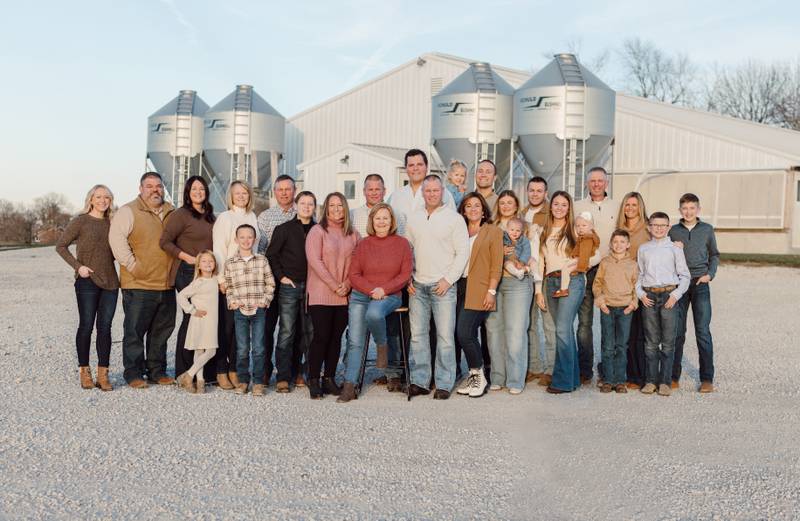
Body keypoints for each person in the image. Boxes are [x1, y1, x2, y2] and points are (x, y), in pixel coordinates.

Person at [339, 203, 412, 402]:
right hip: (363, 294)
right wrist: (371, 290)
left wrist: (383, 290)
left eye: (385, 218)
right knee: (355, 339)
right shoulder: (363, 244)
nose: (381, 222)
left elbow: (405, 274)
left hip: (389, 295)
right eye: (377, 218)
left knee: (374, 314)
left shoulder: (402, 244)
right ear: (372, 221)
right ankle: (350, 384)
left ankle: (382, 345)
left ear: (392, 221)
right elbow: (354, 275)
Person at [109, 172, 175, 388]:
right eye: (149, 186)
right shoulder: (128, 211)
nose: (155, 190)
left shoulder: (171, 211)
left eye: (158, 186)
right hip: (139, 284)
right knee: (135, 331)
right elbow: (116, 240)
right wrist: (133, 266)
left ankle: (157, 371)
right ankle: (133, 373)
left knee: (161, 331)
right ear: (141, 188)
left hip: (166, 284)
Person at [405, 175, 469, 400]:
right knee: (418, 336)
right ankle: (421, 381)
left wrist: (449, 279)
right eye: (428, 190)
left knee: (444, 337)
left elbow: (462, 252)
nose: (431, 194)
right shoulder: (413, 219)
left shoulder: (454, 219)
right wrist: (407, 278)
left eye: (435, 190)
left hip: (443, 287)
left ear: (442, 192)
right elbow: (407, 251)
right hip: (418, 286)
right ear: (422, 192)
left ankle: (444, 382)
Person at [56, 184, 119, 391]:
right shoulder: (81, 221)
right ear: (91, 199)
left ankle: (103, 373)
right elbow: (61, 246)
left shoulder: (113, 223)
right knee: (86, 326)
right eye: (98, 197)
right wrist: (78, 266)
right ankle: (84, 371)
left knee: (105, 328)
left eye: (106, 197)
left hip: (110, 282)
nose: (103, 201)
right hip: (87, 281)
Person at [535, 191, 599, 394]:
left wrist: (581, 266)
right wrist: (538, 291)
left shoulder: (575, 228)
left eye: (564, 204)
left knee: (562, 329)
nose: (560, 208)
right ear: (550, 206)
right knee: (562, 331)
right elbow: (540, 262)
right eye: (556, 204)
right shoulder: (543, 230)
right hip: (550, 282)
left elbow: (597, 252)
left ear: (569, 207)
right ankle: (572, 379)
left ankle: (562, 382)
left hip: (572, 282)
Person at [159, 176, 216, 386]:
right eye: (194, 189)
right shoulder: (180, 215)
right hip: (186, 271)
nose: (198, 192)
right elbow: (164, 242)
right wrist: (186, 257)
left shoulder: (211, 216)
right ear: (187, 192)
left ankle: (203, 371)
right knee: (191, 318)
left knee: (207, 320)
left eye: (202, 188)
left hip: (207, 273)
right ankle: (183, 371)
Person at [305, 192, 360, 399]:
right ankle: (313, 379)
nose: (336, 209)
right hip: (321, 293)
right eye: (332, 206)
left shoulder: (353, 234)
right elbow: (315, 261)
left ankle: (329, 378)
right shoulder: (317, 231)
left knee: (336, 338)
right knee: (321, 337)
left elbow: (358, 264)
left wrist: (346, 284)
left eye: (340, 205)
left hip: (344, 294)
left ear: (345, 208)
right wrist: (334, 285)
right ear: (326, 209)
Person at [266, 191, 316, 393]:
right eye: (302, 203)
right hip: (289, 286)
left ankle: (302, 371)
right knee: (287, 332)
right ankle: (283, 376)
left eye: (310, 204)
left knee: (309, 333)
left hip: (313, 287)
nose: (306, 207)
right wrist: (281, 277)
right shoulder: (284, 229)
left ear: (314, 207)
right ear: (296, 206)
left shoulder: (318, 229)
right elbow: (272, 255)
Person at [453, 193, 503, 398]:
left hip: (480, 288)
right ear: (463, 210)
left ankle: (479, 374)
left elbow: (496, 264)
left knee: (464, 332)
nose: (473, 209)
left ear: (483, 211)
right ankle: (474, 375)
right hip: (458, 287)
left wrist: (491, 291)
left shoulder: (493, 231)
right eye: (468, 206)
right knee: (463, 334)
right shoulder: (458, 230)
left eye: (477, 206)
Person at [636, 212, 690, 397]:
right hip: (649, 297)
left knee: (668, 342)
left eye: (663, 225)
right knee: (651, 342)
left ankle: (665, 381)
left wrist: (675, 295)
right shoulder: (643, 249)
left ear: (668, 227)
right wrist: (641, 294)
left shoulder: (675, 249)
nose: (658, 228)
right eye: (655, 225)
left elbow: (685, 276)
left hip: (669, 296)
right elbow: (640, 275)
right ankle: (651, 380)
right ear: (649, 227)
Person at [669, 193, 719, 393]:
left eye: (692, 208)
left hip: (700, 283)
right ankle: (673, 376)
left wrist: (710, 274)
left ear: (698, 209)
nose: (688, 212)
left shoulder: (707, 229)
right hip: (679, 285)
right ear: (680, 210)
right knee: (677, 333)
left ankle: (706, 378)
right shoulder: (673, 231)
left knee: (703, 332)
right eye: (684, 208)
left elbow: (714, 254)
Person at [212, 180, 259, 390]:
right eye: (237, 193)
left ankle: (235, 370)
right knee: (227, 327)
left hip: (248, 282)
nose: (241, 196)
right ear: (231, 196)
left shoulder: (252, 217)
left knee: (241, 329)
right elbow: (219, 250)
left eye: (245, 193)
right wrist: (221, 279)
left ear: (249, 196)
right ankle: (222, 369)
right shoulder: (225, 217)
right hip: (230, 280)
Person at [485, 190, 533, 394]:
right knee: (494, 331)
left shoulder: (526, 228)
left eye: (509, 203)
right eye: (502, 203)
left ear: (516, 205)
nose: (505, 206)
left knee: (515, 333)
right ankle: (498, 376)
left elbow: (533, 254)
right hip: (494, 284)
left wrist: (520, 264)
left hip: (517, 284)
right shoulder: (490, 227)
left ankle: (515, 380)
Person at [574, 166, 618, 384]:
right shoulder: (577, 206)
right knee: (584, 323)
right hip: (586, 269)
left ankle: (608, 368)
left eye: (600, 181)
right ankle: (585, 369)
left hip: (610, 269)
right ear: (587, 183)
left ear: (606, 183)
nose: (597, 184)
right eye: (592, 181)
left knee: (609, 320)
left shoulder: (616, 206)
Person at [256, 174, 300, 387]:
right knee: (267, 327)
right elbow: (261, 249)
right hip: (271, 278)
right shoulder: (265, 217)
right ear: (274, 192)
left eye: (288, 189)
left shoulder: (302, 213)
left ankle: (291, 370)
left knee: (292, 327)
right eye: (280, 189)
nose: (284, 193)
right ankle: (264, 370)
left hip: (294, 280)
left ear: (295, 191)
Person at [224, 224, 276, 396]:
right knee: (242, 347)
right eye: (242, 237)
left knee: (260, 347)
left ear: (254, 240)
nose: (246, 240)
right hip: (240, 310)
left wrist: (264, 300)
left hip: (258, 309)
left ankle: (259, 382)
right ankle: (243, 381)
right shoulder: (231, 263)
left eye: (249, 237)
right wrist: (232, 301)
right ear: (236, 240)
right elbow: (229, 286)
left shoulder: (262, 260)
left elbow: (270, 283)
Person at [593, 230, 638, 394]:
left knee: (621, 345)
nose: (618, 245)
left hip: (625, 309)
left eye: (622, 242)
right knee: (607, 344)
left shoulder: (632, 264)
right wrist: (601, 301)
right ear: (611, 244)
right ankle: (607, 380)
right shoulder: (605, 263)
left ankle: (620, 380)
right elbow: (597, 283)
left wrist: (633, 304)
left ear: (628, 245)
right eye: (615, 242)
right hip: (607, 307)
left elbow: (636, 286)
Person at [523, 176, 556, 386]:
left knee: (548, 323)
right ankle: (533, 366)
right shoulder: (522, 213)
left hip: (544, 274)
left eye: (539, 191)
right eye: (532, 190)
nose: (535, 194)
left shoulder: (550, 214)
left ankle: (551, 368)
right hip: (525, 275)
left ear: (546, 193)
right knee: (529, 323)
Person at [616, 192, 650, 389]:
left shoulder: (647, 228)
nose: (630, 208)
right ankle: (626, 373)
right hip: (620, 286)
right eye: (627, 204)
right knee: (624, 332)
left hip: (641, 284)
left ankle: (640, 374)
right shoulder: (619, 228)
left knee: (640, 332)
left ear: (640, 207)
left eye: (634, 205)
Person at [175, 251, 219, 394]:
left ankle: (198, 380)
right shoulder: (198, 282)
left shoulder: (215, 279)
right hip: (200, 319)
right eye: (204, 261)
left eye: (211, 261)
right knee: (204, 350)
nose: (208, 264)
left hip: (211, 321)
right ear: (198, 265)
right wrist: (191, 310)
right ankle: (191, 376)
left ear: (215, 264)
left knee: (206, 350)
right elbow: (181, 296)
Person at [387, 149, 455, 224]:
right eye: (411, 165)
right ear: (406, 168)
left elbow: (452, 222)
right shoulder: (395, 196)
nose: (415, 168)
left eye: (419, 164)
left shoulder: (444, 194)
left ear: (426, 167)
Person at [552, 211, 600, 298]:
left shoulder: (587, 239)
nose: (580, 228)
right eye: (578, 226)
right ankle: (583, 291)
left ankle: (563, 289)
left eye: (584, 226)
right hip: (581, 259)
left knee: (565, 268)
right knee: (582, 275)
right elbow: (578, 249)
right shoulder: (584, 237)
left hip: (582, 260)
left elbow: (585, 254)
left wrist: (581, 267)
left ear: (591, 226)